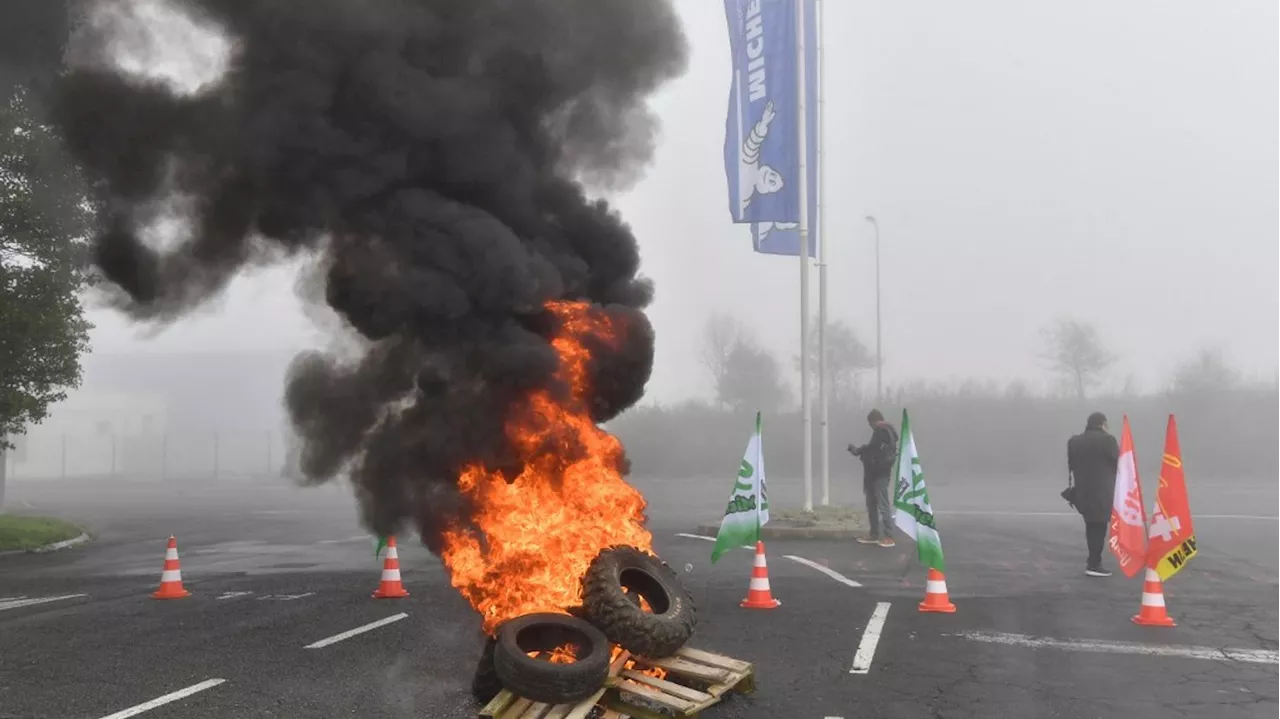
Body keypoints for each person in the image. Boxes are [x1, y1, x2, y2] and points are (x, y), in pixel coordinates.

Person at [1067, 412, 1120, 577]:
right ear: (1102, 424)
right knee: (1098, 527)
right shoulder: (1108, 440)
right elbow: (1119, 461)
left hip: (1082, 492)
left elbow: (1072, 464)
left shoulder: (1074, 442)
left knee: (1091, 525)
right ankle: (1094, 563)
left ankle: (1093, 560)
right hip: (1102, 492)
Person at [848, 409, 899, 548]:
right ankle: (874, 534)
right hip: (877, 474)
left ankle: (888, 536)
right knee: (873, 505)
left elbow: (873, 450)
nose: (870, 427)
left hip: (878, 474)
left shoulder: (881, 431)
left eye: (870, 424)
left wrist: (859, 451)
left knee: (882, 505)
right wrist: (862, 450)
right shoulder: (888, 432)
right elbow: (873, 449)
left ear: (873, 421)